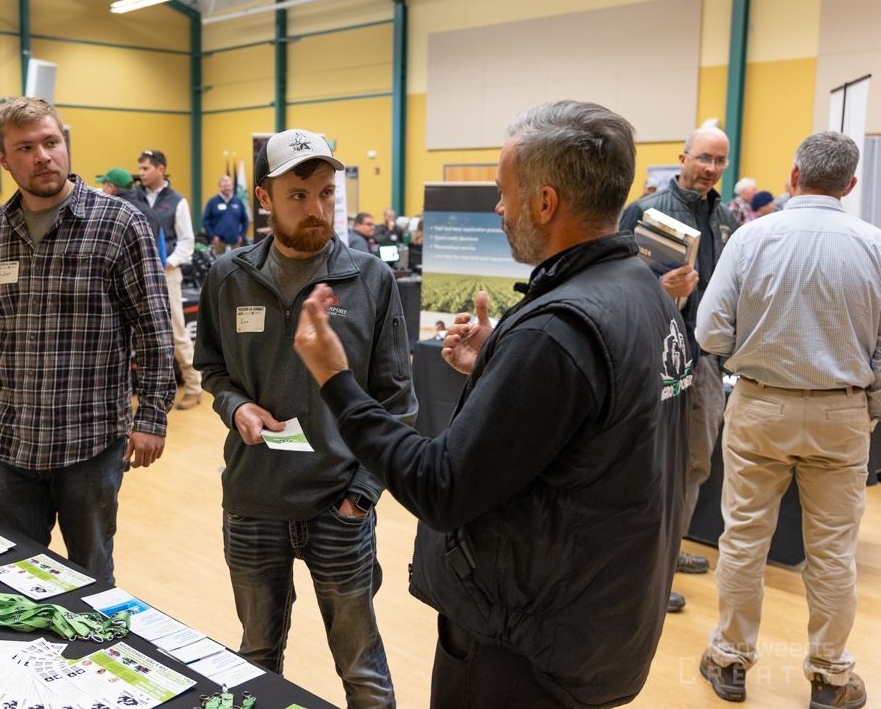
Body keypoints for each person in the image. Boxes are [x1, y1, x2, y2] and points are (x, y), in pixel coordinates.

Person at [293, 100, 688, 709]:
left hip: (526, 648)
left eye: (504, 194)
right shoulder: (645, 292)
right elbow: (596, 428)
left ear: (546, 202)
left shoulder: (558, 331)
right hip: (603, 623)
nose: (499, 210)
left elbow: (440, 486)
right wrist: (502, 368)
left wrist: (338, 380)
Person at [194, 128, 416, 709]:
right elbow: (212, 368)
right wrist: (235, 405)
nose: (317, 209)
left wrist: (360, 498)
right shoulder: (227, 275)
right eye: (299, 195)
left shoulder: (370, 279)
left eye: (326, 193)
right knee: (256, 661)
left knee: (362, 673)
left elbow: (397, 403)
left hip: (337, 508)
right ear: (264, 199)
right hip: (252, 502)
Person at [0, 98, 174, 585]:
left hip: (89, 442)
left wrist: (151, 416)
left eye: (51, 142)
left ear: (65, 144)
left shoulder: (119, 225)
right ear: (4, 159)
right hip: (7, 441)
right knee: (7, 576)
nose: (43, 156)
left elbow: (153, 330)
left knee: (90, 578)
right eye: (25, 148)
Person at [696, 131, 881, 709]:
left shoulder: (752, 240)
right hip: (843, 411)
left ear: (793, 175)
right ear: (850, 185)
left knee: (744, 539)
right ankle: (830, 676)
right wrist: (869, 409)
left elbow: (709, 332)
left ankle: (730, 662)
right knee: (832, 552)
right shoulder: (880, 247)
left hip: (760, 406)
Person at [621, 125, 738, 612]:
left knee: (695, 460)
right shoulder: (645, 211)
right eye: (703, 158)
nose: (710, 168)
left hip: (704, 359)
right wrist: (660, 289)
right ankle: (640, 566)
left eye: (719, 161)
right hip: (652, 353)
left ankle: (669, 550)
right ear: (682, 157)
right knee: (646, 460)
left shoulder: (727, 218)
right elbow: (613, 281)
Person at [136, 148, 201, 410]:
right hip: (138, 273)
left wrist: (168, 263)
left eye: (145, 169)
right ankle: (151, 391)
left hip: (167, 274)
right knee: (141, 334)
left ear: (160, 169)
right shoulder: (134, 197)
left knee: (176, 331)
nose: (140, 173)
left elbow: (187, 242)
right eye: (139, 168)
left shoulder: (177, 201)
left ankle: (194, 385)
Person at [96, 167, 167, 264]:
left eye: (103, 185)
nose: (102, 190)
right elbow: (161, 253)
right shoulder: (151, 213)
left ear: (111, 188)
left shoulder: (109, 213)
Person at [201, 175, 248, 254]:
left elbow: (245, 219)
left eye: (229, 185)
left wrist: (242, 235)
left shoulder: (238, 201)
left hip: (235, 242)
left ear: (232, 186)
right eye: (224, 186)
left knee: (235, 265)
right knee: (219, 265)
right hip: (218, 243)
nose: (227, 188)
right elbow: (205, 221)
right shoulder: (212, 202)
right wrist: (212, 236)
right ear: (219, 187)